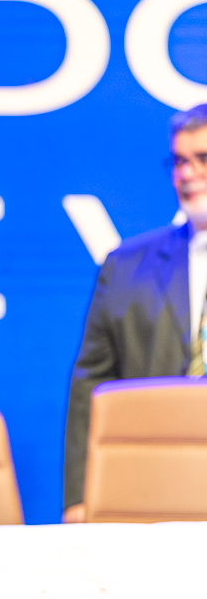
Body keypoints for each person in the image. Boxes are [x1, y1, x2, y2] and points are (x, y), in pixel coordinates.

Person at [64, 103, 207, 523]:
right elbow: (91, 385)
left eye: (202, 158)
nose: (186, 174)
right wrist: (79, 498)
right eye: (179, 161)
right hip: (150, 488)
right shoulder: (126, 266)